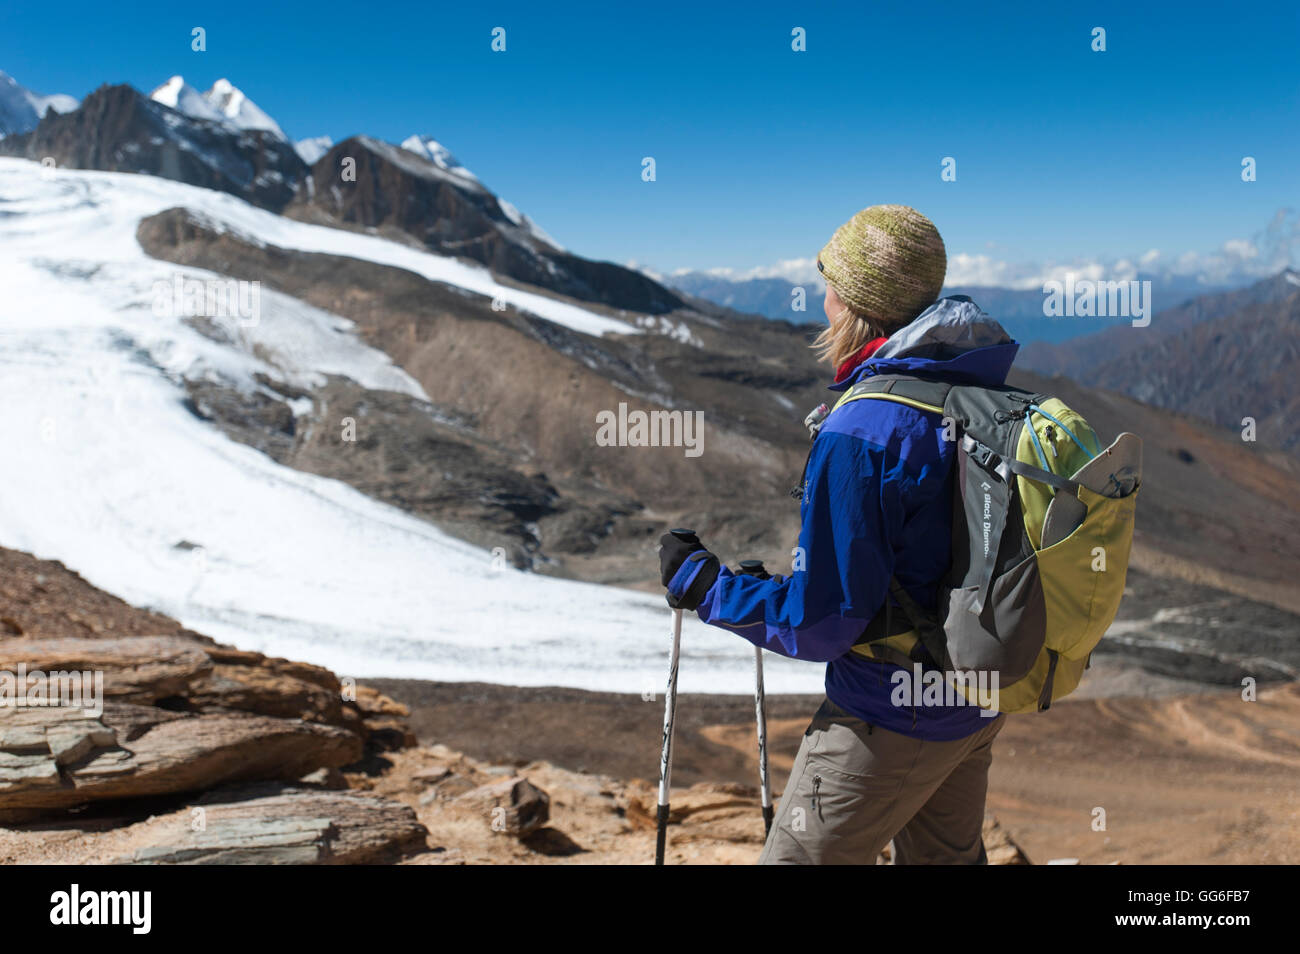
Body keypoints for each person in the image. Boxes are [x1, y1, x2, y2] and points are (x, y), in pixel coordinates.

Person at [658, 204, 1019, 865]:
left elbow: (825, 622)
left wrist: (708, 588)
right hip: (972, 701)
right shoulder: (971, 393)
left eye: (828, 283)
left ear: (852, 299)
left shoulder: (865, 430)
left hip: (889, 717)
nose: (822, 300)